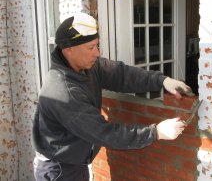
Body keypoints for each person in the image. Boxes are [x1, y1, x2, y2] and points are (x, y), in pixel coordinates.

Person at [32, 12, 193, 181]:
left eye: (97, 45)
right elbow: (103, 133)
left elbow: (121, 74)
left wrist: (162, 81)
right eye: (90, 48)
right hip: (59, 169)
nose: (97, 53)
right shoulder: (64, 92)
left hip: (74, 161)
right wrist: (156, 132)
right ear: (69, 50)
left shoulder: (87, 66)